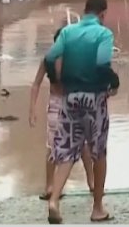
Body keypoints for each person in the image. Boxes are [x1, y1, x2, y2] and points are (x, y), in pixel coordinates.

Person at [44, 0, 118, 224]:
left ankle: (54, 200)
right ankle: (97, 208)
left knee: (66, 151)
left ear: (85, 11)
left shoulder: (67, 32)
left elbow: (49, 57)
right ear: (102, 14)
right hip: (94, 99)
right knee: (98, 153)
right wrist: (114, 83)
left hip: (70, 98)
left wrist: (57, 81)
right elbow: (102, 64)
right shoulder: (104, 34)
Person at [28, 26, 95, 201]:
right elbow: (36, 84)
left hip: (69, 104)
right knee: (58, 146)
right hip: (60, 104)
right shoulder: (55, 60)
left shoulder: (60, 59)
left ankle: (88, 181)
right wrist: (32, 109)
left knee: (76, 146)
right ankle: (53, 185)